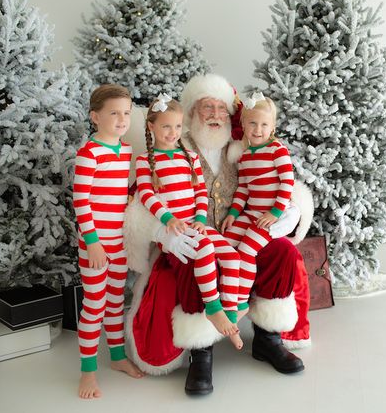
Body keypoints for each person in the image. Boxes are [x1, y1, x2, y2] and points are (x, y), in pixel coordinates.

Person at [123, 74, 313, 395]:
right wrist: (161, 231)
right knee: (191, 262)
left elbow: (280, 179)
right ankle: (202, 351)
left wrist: (290, 211)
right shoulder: (173, 148)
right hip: (189, 234)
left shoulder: (244, 145)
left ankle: (268, 338)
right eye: (205, 106)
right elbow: (140, 197)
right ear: (192, 113)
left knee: (282, 252)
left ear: (230, 113)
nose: (214, 113)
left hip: (240, 231)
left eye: (220, 108)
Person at [136, 94, 243, 349]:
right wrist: (168, 219)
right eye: (165, 126)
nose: (172, 133)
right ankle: (212, 306)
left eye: (176, 126)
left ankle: (229, 313)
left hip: (195, 224)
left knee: (232, 257)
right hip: (175, 231)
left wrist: (199, 218)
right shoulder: (145, 162)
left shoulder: (190, 157)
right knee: (205, 248)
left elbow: (199, 193)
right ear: (151, 127)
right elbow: (147, 195)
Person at [72, 84, 144, 399]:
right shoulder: (89, 153)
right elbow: (81, 202)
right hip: (96, 243)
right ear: (95, 116)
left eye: (126, 113)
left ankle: (116, 358)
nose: (121, 119)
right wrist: (92, 243)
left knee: (116, 302)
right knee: (95, 305)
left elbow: (119, 189)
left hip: (119, 241)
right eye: (114, 113)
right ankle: (87, 374)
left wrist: (131, 197)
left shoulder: (125, 150)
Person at [221, 94, 294, 312]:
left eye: (264, 124)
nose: (258, 129)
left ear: (272, 127)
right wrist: (233, 214)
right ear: (243, 124)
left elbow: (287, 181)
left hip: (271, 216)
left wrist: (274, 212)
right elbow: (243, 188)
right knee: (226, 243)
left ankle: (240, 301)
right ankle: (226, 294)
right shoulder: (244, 155)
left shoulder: (276, 149)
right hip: (251, 212)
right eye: (252, 123)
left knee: (246, 251)